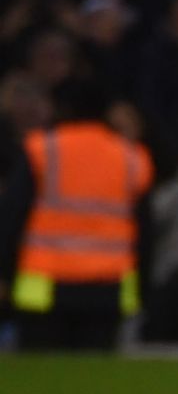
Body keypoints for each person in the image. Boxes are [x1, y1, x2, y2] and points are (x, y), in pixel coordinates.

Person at [0, 78, 152, 350]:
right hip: (107, 288)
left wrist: (5, 273)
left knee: (42, 372)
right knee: (94, 373)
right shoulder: (131, 157)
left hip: (45, 285)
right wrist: (142, 286)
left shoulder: (42, 150)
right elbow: (145, 230)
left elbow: (12, 217)